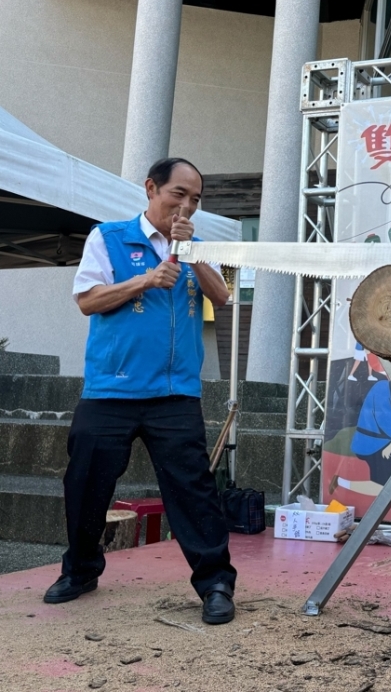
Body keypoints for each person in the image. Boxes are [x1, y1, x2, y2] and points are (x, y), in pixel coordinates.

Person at [43, 157, 238, 626]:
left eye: (195, 199)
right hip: (112, 389)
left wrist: (193, 254)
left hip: (174, 394)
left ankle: (215, 584)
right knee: (86, 482)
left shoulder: (194, 246)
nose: (186, 207)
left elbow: (223, 297)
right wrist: (145, 280)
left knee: (193, 489)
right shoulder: (109, 238)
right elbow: (88, 300)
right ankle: (82, 570)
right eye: (178, 195)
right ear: (152, 189)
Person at [328, 378, 391, 513]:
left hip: (388, 441)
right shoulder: (382, 389)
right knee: (382, 487)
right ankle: (340, 482)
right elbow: (387, 422)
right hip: (371, 444)